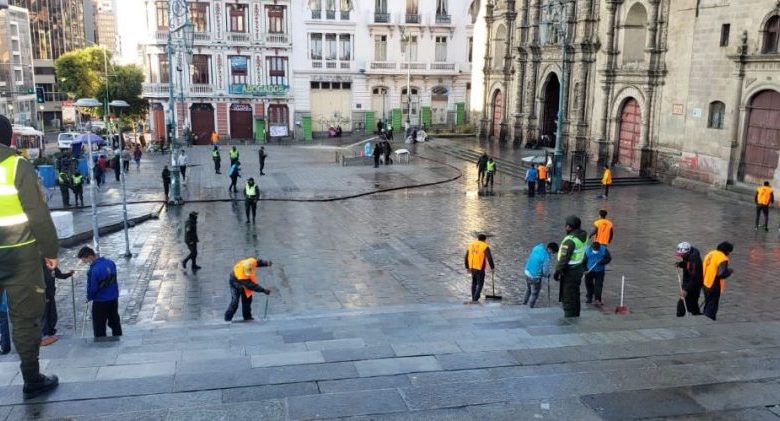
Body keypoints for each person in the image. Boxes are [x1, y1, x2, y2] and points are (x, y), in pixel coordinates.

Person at [0, 114, 60, 399]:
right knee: (24, 320)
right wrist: (50, 252)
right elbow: (38, 214)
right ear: (10, 138)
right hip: (21, 255)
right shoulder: (17, 166)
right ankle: (32, 379)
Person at [78, 246, 122, 339]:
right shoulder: (111, 263)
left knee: (99, 324)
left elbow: (93, 287)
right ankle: (118, 336)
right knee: (114, 320)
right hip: (113, 297)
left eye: (84, 260)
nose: (85, 262)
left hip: (100, 300)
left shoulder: (93, 270)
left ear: (89, 256)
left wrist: (89, 297)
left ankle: (101, 342)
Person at [554, 215, 588, 318]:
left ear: (569, 227)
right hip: (578, 269)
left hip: (570, 272)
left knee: (568, 296)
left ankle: (569, 317)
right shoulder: (583, 236)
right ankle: (576, 315)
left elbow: (564, 258)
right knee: (575, 294)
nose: (565, 227)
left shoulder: (570, 241)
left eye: (566, 226)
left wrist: (557, 271)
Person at [224, 257, 272, 322]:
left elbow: (257, 262)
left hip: (246, 281)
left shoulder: (251, 261)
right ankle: (227, 318)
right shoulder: (241, 275)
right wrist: (263, 290)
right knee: (235, 302)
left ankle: (247, 317)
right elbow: (250, 285)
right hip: (235, 282)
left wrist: (266, 263)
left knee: (247, 299)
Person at [40, 261, 74, 346]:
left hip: (51, 295)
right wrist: (43, 296)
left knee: (53, 315)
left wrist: (69, 274)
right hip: (42, 296)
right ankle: (43, 336)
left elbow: (60, 275)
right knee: (44, 317)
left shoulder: (52, 266)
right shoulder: (38, 267)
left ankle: (50, 333)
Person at [702, 242, 734, 321]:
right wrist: (729, 271)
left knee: (707, 303)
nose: (729, 254)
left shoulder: (711, 253)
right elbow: (721, 274)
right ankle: (709, 323)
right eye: (729, 252)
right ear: (727, 251)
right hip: (714, 284)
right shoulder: (723, 258)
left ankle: (704, 319)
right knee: (712, 306)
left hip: (705, 282)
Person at [523, 242, 559, 308]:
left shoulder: (537, 248)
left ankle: (524, 303)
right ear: (550, 249)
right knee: (535, 293)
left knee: (528, 289)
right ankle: (530, 308)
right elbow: (545, 271)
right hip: (535, 276)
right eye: (553, 252)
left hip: (527, 271)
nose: (552, 254)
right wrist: (547, 275)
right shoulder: (546, 257)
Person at [464, 234, 495, 305]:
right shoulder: (485, 246)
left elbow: (466, 256)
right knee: (480, 284)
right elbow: (489, 257)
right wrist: (492, 267)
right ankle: (475, 299)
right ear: (485, 239)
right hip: (480, 267)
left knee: (474, 283)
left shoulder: (471, 244)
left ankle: (473, 298)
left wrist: (467, 267)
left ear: (478, 238)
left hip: (472, 267)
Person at [675, 242, 703, 316]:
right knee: (693, 303)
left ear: (687, 253)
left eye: (682, 255)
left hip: (693, 284)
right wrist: (681, 264)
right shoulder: (690, 255)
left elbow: (694, 276)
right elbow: (687, 264)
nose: (681, 256)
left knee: (682, 303)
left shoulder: (694, 260)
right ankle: (697, 315)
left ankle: (680, 319)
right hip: (692, 282)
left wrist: (686, 289)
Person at [583, 241, 612, 306]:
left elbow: (609, 258)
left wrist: (602, 261)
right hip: (589, 271)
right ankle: (589, 298)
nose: (596, 251)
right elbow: (583, 262)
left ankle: (598, 299)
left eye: (597, 250)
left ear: (599, 247)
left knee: (598, 285)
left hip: (600, 271)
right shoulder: (587, 251)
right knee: (589, 285)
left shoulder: (604, 249)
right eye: (595, 250)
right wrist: (584, 270)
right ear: (592, 248)